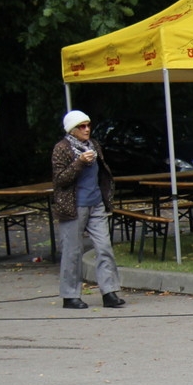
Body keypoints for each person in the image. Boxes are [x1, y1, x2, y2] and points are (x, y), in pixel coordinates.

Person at [50, 110, 125, 310]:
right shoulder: (62, 148)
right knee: (72, 251)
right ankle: (70, 295)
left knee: (104, 247)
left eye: (88, 125)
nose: (86, 129)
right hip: (73, 206)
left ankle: (109, 292)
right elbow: (60, 180)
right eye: (81, 126)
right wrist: (80, 163)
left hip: (96, 203)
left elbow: (102, 173)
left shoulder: (94, 146)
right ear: (72, 130)